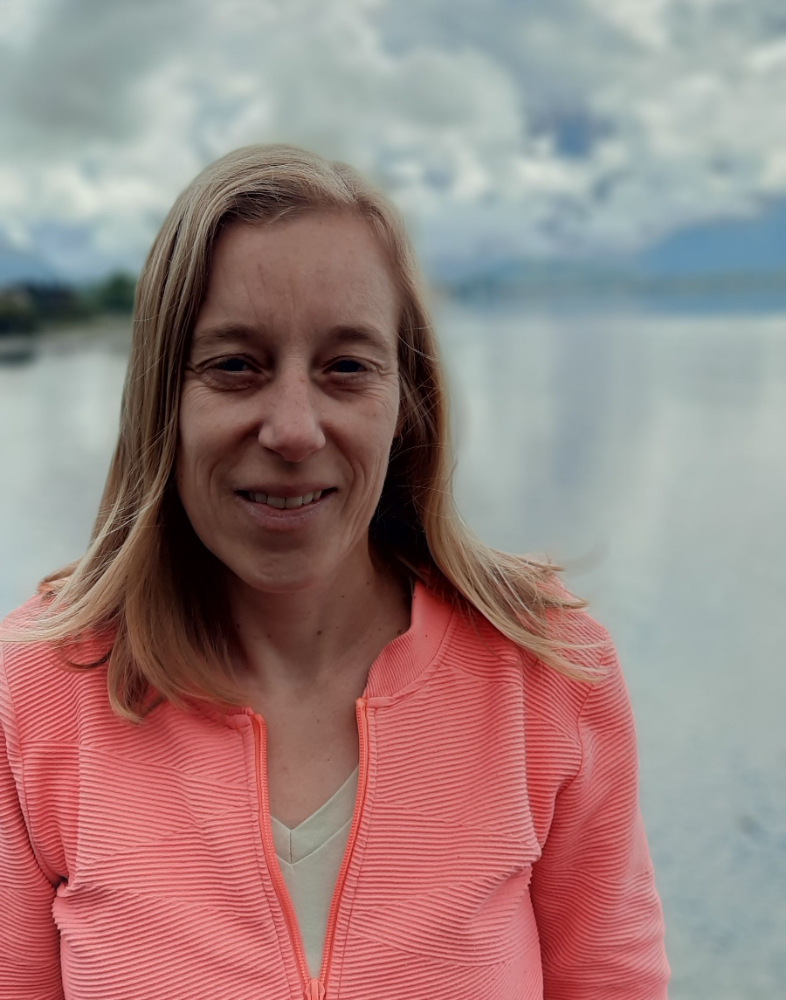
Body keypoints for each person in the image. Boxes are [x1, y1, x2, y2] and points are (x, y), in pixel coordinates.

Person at [0, 144, 670, 1000]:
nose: (293, 429)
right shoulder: (36, 692)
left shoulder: (545, 670)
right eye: (235, 365)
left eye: (346, 367)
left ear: (406, 403)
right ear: (162, 398)